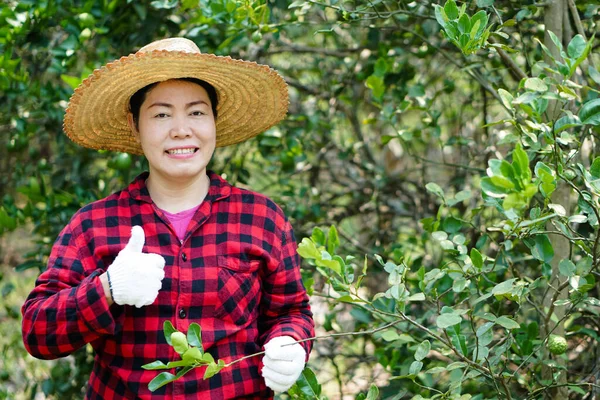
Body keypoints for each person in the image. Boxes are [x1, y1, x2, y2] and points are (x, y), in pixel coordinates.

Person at [21, 37, 315, 399]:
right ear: (134, 125)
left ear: (214, 121)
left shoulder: (261, 218)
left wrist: (291, 342)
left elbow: (291, 310)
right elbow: (38, 333)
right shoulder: (93, 225)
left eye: (196, 112)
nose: (181, 129)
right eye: (161, 114)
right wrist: (107, 288)